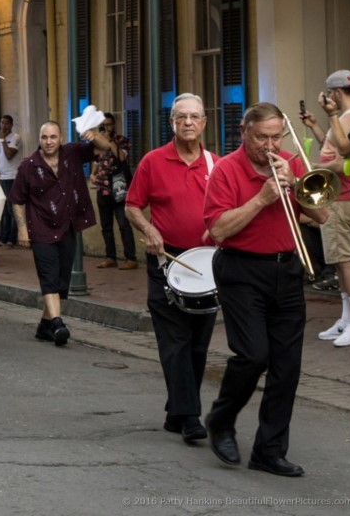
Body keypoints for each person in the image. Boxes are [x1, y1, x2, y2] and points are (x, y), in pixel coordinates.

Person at [203, 102, 327, 477]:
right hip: (240, 270)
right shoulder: (226, 170)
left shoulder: (291, 162)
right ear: (245, 132)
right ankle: (221, 420)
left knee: (287, 367)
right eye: (261, 138)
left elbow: (321, 216)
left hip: (286, 270)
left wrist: (295, 185)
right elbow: (219, 230)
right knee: (254, 355)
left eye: (276, 137)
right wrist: (262, 199)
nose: (269, 146)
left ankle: (269, 450)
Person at [125, 93, 219, 443]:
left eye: (195, 116)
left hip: (207, 265)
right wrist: (149, 230)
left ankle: (177, 410)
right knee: (175, 340)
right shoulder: (153, 161)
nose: (189, 123)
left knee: (198, 343)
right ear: (172, 123)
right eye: (182, 117)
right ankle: (191, 417)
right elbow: (132, 206)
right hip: (166, 261)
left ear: (204, 122)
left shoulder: (216, 164)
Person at [9, 121, 98, 346]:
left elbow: (102, 148)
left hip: (67, 227)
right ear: (40, 139)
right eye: (44, 137)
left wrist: (95, 135)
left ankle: (44, 326)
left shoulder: (72, 154)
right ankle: (58, 323)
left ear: (60, 138)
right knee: (48, 276)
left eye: (53, 137)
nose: (48, 141)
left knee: (61, 279)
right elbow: (17, 200)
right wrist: (22, 229)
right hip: (40, 228)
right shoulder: (28, 165)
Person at [301, 69, 350, 347]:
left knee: (343, 257)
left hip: (342, 196)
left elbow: (344, 157)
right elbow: (334, 145)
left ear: (335, 94)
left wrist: (315, 167)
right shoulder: (349, 118)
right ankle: (348, 317)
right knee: (341, 259)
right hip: (342, 195)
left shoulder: (348, 117)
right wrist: (316, 126)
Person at [91, 113, 137, 269]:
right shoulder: (97, 142)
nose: (106, 127)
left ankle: (131, 258)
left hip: (119, 187)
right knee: (106, 226)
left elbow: (122, 158)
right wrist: (92, 174)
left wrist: (109, 140)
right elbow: (96, 161)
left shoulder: (121, 140)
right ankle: (110, 257)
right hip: (102, 187)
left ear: (113, 125)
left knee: (123, 224)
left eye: (108, 124)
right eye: (103, 124)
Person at [0, 114, 22, 247]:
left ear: (11, 125)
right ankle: (4, 237)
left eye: (6, 123)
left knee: (12, 209)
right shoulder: (1, 140)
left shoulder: (15, 138)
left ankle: (12, 238)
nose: (3, 126)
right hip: (4, 177)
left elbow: (10, 155)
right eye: (1, 123)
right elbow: (1, 159)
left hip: (13, 177)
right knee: (5, 209)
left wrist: (3, 140)